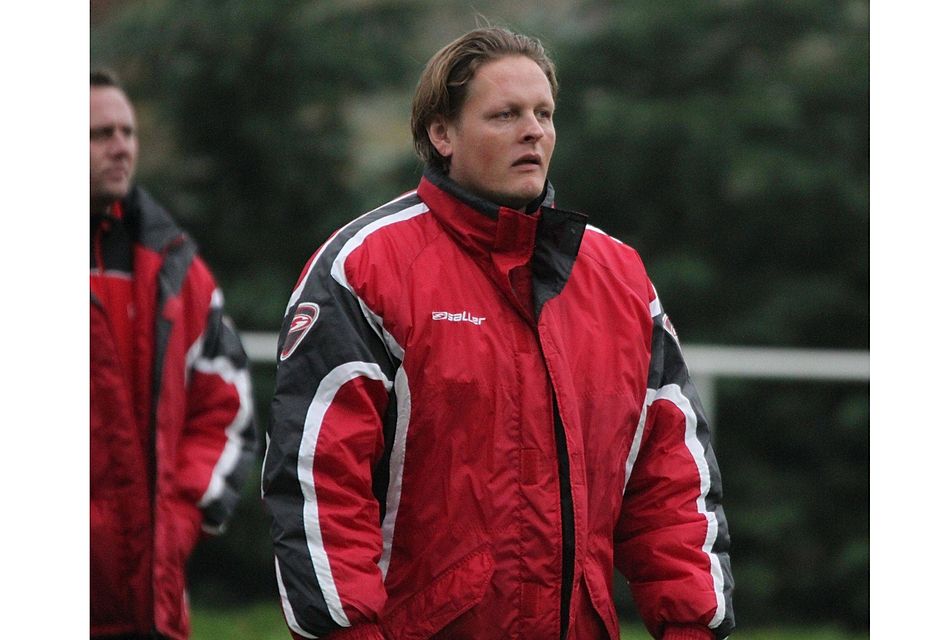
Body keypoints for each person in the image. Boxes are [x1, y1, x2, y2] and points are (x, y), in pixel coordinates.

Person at [262, 27, 734, 640]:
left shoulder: (619, 277)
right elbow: (318, 483)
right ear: (442, 134)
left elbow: (671, 477)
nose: (534, 130)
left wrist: (692, 626)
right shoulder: (364, 268)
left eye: (544, 113)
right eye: (505, 114)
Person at [90, 69, 258, 640]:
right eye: (99, 134)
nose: (121, 146)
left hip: (152, 604)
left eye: (127, 132)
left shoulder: (178, 271)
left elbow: (227, 408)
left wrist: (182, 517)